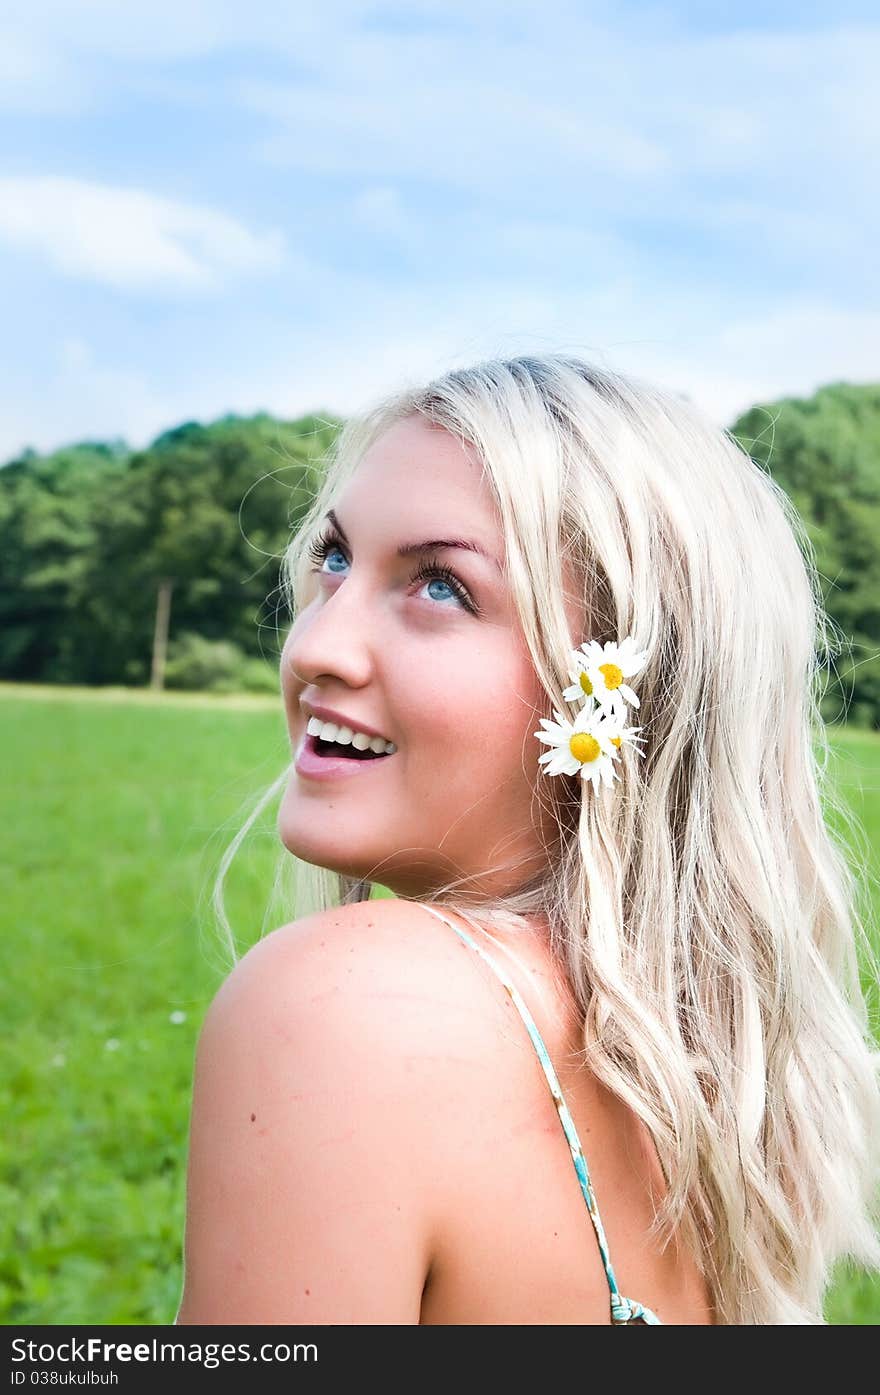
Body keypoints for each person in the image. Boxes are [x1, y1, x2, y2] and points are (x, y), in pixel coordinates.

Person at [175, 354, 880, 1325]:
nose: (316, 647)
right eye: (334, 559)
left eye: (439, 587)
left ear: (619, 694)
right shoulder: (713, 1087)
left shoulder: (342, 1012)